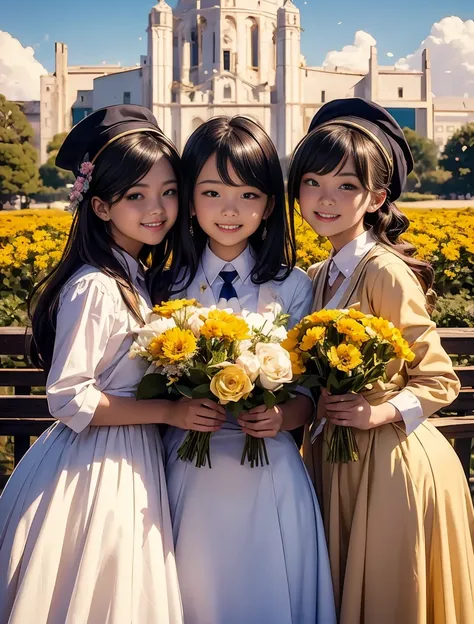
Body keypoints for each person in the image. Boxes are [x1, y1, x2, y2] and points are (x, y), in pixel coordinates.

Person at [288, 97, 474, 624]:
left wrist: (377, 412)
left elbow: (439, 379)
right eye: (313, 183)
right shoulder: (323, 271)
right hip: (341, 462)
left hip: (390, 467)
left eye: (346, 186)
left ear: (375, 197)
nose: (326, 199)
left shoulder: (384, 271)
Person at [0, 106, 184, 624]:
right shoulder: (97, 286)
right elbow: (68, 397)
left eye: (168, 191)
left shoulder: (137, 275)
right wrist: (168, 412)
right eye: (136, 196)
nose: (157, 209)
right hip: (95, 466)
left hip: (127, 456)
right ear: (100, 207)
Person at [164, 116, 336, 624]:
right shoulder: (166, 283)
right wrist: (180, 410)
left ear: (269, 203)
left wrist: (284, 418)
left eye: (248, 194)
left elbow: (308, 391)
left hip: (268, 456)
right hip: (189, 457)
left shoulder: (294, 285)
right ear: (189, 199)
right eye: (212, 193)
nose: (231, 211)